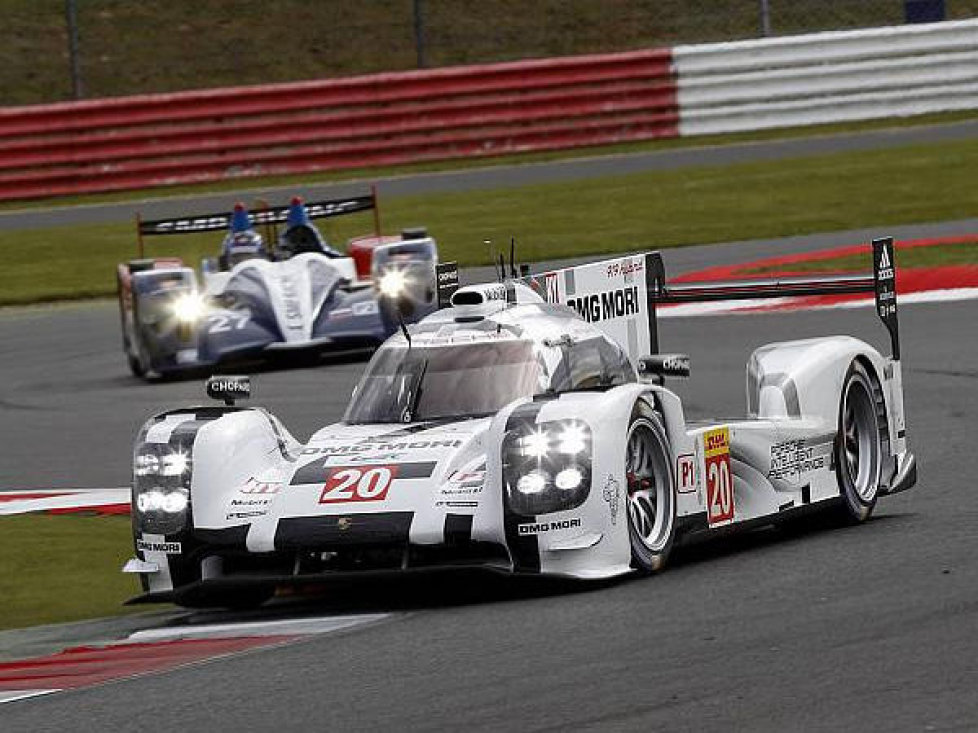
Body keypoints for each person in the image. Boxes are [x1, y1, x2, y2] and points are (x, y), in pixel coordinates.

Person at [221, 203, 267, 269]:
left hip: (235, 249)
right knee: (259, 240)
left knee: (225, 244)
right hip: (251, 247)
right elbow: (247, 226)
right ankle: (265, 261)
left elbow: (233, 228)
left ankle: (225, 267)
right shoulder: (245, 216)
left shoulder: (234, 218)